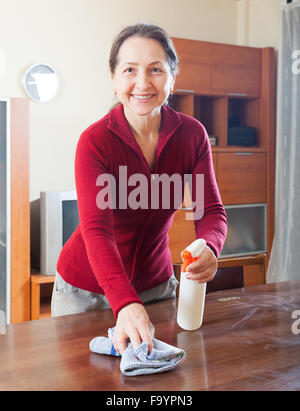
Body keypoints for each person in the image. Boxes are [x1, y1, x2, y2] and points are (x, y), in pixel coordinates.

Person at [51, 23, 227, 355]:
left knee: (163, 380)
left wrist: (211, 248)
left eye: (156, 70)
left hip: (155, 288)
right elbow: (96, 231)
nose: (143, 83)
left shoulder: (192, 135)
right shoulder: (95, 141)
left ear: (172, 76)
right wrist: (124, 302)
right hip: (84, 293)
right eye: (130, 70)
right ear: (113, 77)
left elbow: (211, 212)